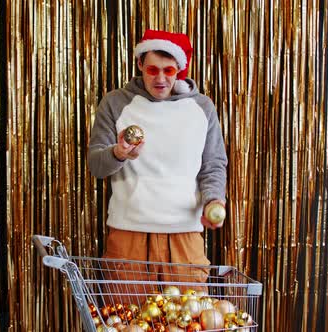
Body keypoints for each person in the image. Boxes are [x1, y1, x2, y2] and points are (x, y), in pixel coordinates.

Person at [87, 29, 227, 305]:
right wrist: (118, 153)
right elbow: (96, 166)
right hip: (129, 236)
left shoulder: (202, 108)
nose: (160, 79)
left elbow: (213, 165)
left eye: (169, 70)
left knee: (191, 321)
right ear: (139, 64)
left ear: (180, 69)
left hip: (185, 236)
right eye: (152, 69)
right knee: (125, 320)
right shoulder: (116, 103)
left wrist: (214, 199)